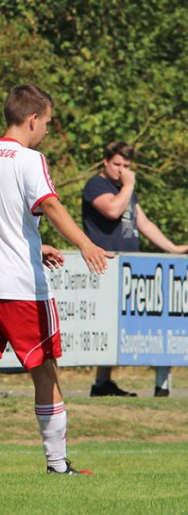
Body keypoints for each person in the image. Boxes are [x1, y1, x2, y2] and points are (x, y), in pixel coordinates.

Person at [0, 84, 112, 477]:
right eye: (47, 123)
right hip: (20, 289)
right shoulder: (30, 159)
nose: (47, 130)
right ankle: (57, 464)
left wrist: (37, 245)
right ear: (32, 119)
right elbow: (49, 204)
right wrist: (84, 243)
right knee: (45, 371)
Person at [83, 141, 188, 397]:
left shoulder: (125, 190)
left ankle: (104, 382)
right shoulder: (96, 185)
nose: (122, 170)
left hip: (131, 265)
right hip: (105, 263)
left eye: (127, 166)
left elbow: (143, 222)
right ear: (106, 162)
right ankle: (101, 382)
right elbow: (112, 210)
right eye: (117, 164)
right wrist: (129, 184)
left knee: (124, 323)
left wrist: (173, 248)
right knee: (109, 323)